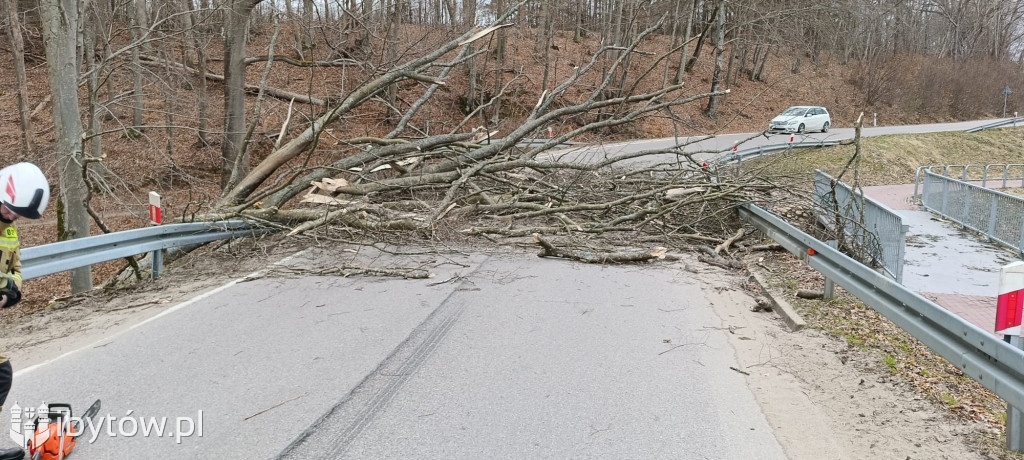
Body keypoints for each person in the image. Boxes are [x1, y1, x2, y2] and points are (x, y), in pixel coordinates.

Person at [0, 163, 51, 460]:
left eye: (18, 213)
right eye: (11, 209)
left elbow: (15, 270)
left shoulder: (9, 230)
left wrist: (11, 293)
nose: (14, 216)